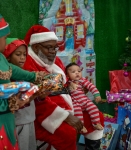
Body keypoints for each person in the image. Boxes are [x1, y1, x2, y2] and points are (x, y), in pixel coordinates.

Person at [23, 25, 104, 150]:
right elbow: (38, 102)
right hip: (44, 116)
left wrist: (75, 88)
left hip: (69, 105)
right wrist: (65, 116)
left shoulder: (55, 61)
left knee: (96, 117)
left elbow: (64, 84)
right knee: (68, 133)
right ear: (36, 47)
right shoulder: (28, 65)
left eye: (55, 47)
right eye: (49, 47)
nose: (53, 51)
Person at [0, 14, 45, 150]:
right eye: (5, 38)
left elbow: (13, 69)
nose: (5, 41)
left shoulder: (1, 57)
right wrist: (18, 92)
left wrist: (34, 77)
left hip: (8, 118)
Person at [3, 39, 37, 150]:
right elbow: (16, 102)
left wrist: (38, 94)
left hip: (30, 119)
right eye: (18, 54)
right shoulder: (7, 79)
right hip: (17, 123)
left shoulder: (26, 74)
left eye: (24, 54)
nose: (22, 57)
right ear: (8, 56)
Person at [65, 62, 104, 132]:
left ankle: (96, 123)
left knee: (94, 108)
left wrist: (96, 94)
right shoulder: (67, 83)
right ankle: (81, 127)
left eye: (79, 71)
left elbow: (91, 86)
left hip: (85, 101)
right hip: (75, 103)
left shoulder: (82, 80)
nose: (77, 73)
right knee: (77, 113)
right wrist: (69, 83)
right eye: (73, 72)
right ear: (67, 75)